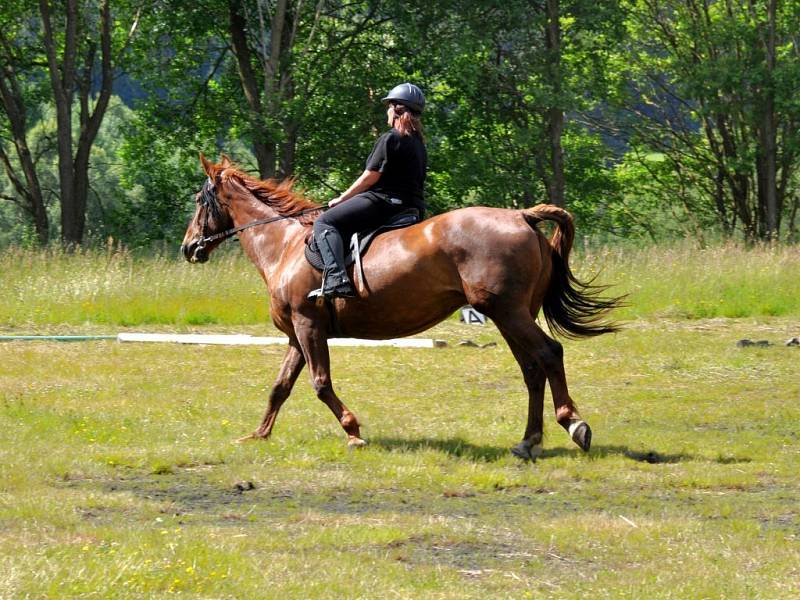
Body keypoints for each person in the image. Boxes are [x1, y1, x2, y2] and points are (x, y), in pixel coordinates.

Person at [308, 83, 428, 300]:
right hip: (413, 208)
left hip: (384, 203)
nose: (387, 111)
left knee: (325, 222)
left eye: (389, 106)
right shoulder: (419, 143)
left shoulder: (391, 138)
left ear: (397, 109)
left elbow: (369, 177)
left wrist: (342, 198)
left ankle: (336, 280)